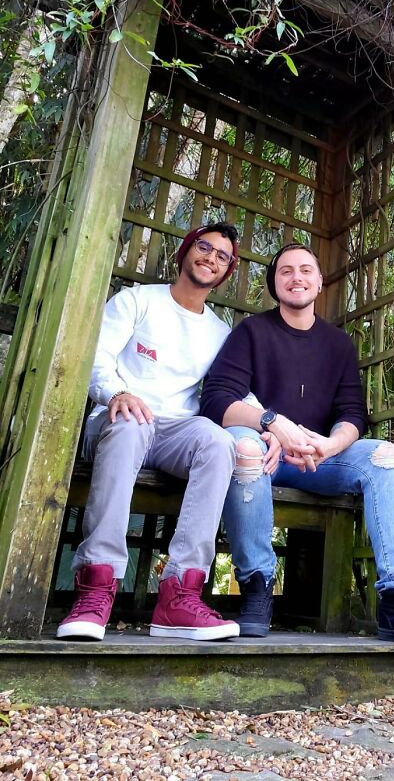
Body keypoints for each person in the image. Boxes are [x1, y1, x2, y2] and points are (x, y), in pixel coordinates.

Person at [200, 243, 394, 648]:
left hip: (317, 460)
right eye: (286, 271)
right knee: (244, 447)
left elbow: (352, 413)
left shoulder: (337, 344)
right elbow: (217, 400)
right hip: (267, 452)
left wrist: (329, 446)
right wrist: (272, 426)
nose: (297, 278)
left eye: (306, 270)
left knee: (384, 456)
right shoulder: (252, 332)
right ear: (274, 283)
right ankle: (256, 586)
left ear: (319, 282)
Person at [57, 223, 276, 642]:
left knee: (216, 441)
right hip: (116, 419)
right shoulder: (138, 301)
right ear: (185, 252)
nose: (211, 257)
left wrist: (271, 425)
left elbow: (235, 390)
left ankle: (180, 593)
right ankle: (96, 585)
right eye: (204, 247)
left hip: (175, 431)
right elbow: (96, 357)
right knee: (130, 425)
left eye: (222, 256)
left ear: (227, 270)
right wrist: (116, 392)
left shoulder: (218, 331)